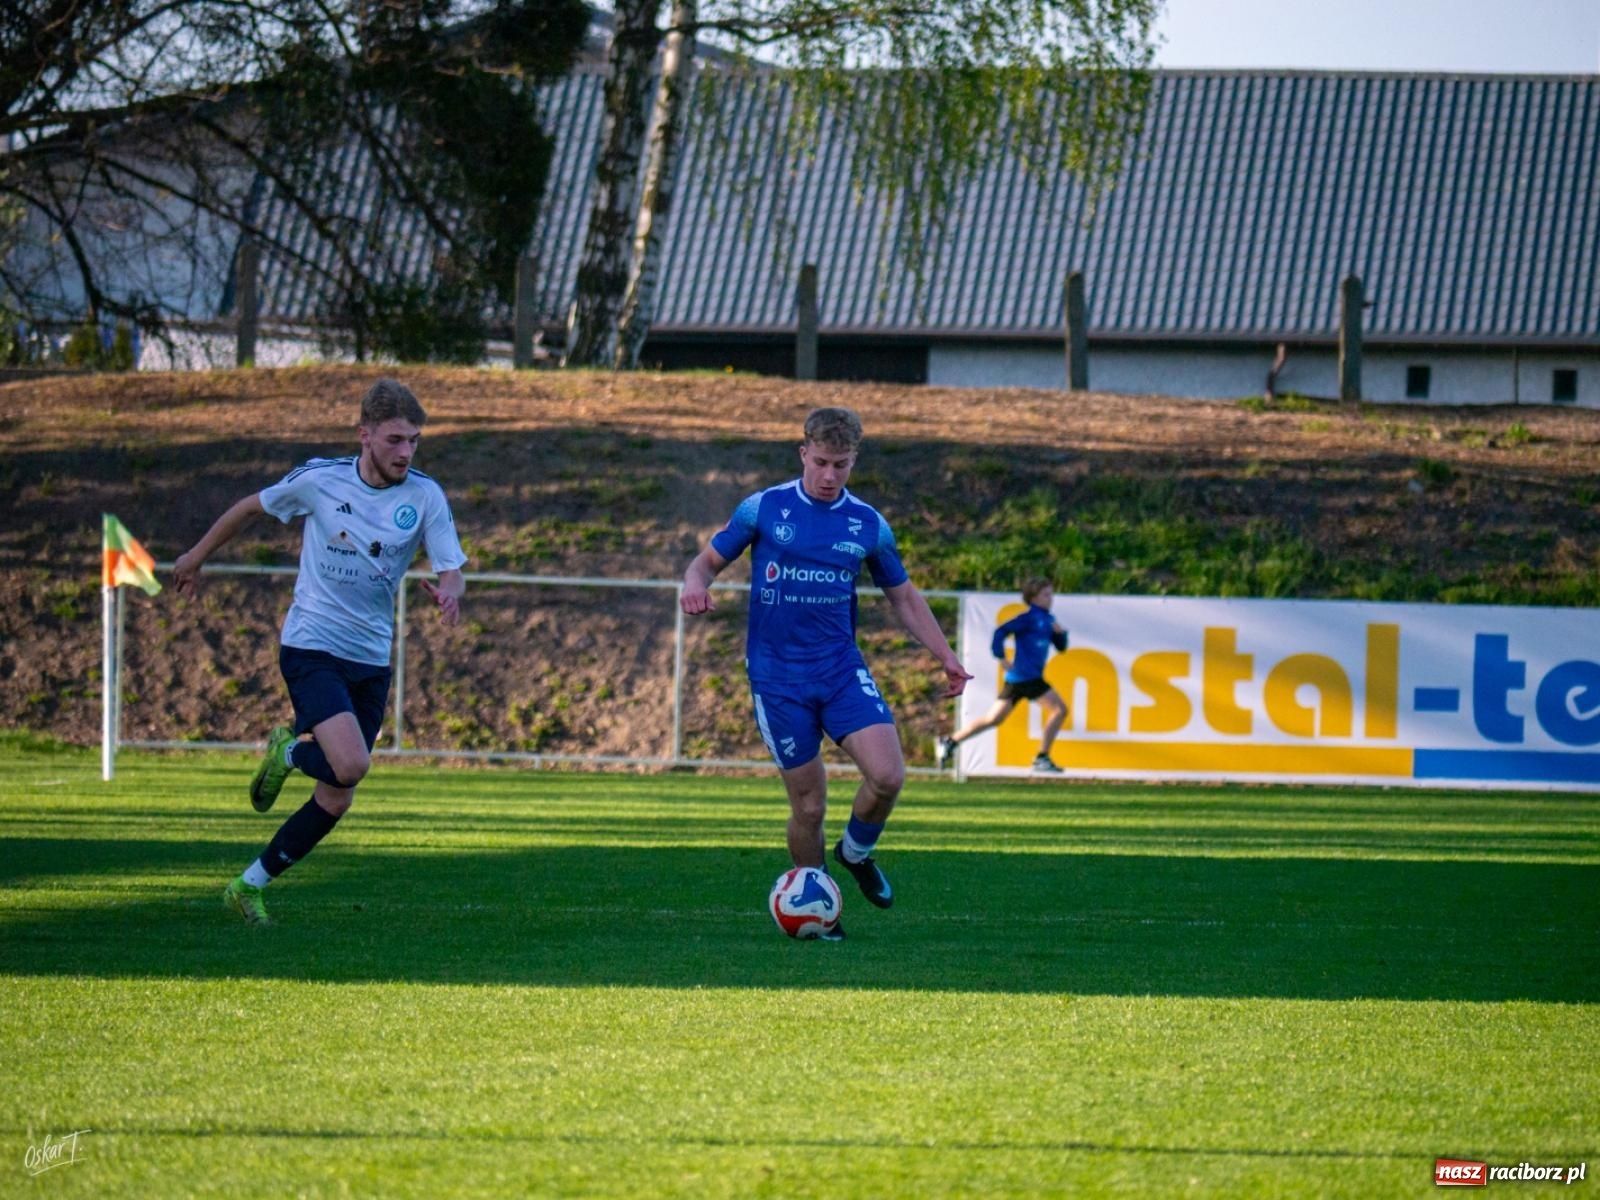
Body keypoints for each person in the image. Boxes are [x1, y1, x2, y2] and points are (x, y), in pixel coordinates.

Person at [173, 378, 466, 925]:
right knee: (351, 766)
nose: (406, 452)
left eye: (415, 441)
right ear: (365, 435)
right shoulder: (320, 481)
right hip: (312, 643)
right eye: (395, 440)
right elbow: (249, 508)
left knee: (337, 796)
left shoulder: (425, 495)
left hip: (370, 657)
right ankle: (286, 753)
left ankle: (246, 885)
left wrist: (450, 593)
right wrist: (195, 556)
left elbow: (450, 567)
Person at [681, 407, 971, 940]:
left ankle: (856, 853)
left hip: (839, 671)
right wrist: (695, 584)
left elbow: (903, 596)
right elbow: (705, 562)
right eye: (820, 462)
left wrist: (945, 655)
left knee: (888, 776)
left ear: (854, 460)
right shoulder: (763, 508)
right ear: (802, 455)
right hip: (777, 682)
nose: (829, 475)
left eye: (841, 464)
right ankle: (818, 909)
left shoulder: (867, 524)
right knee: (809, 805)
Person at [936, 577, 1068, 773]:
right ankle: (1042, 757)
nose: (1051, 598)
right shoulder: (1029, 618)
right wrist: (1001, 657)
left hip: (1018, 679)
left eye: (1051, 594)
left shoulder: (1049, 619)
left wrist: (1060, 634)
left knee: (994, 718)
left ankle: (950, 741)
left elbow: (1061, 648)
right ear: (1033, 598)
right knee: (1059, 710)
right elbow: (1000, 632)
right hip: (1027, 676)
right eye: (1046, 595)